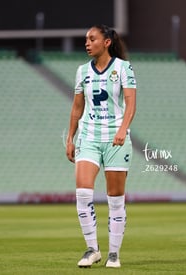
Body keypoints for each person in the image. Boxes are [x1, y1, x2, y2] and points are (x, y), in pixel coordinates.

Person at [66, 24, 137, 268]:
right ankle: (92, 249)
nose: (87, 43)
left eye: (92, 38)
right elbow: (77, 107)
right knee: (83, 193)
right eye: (85, 39)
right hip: (89, 138)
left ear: (106, 42)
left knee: (115, 200)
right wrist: (70, 138)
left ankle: (114, 254)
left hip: (116, 139)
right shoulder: (82, 71)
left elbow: (130, 104)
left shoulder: (123, 68)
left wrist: (122, 130)